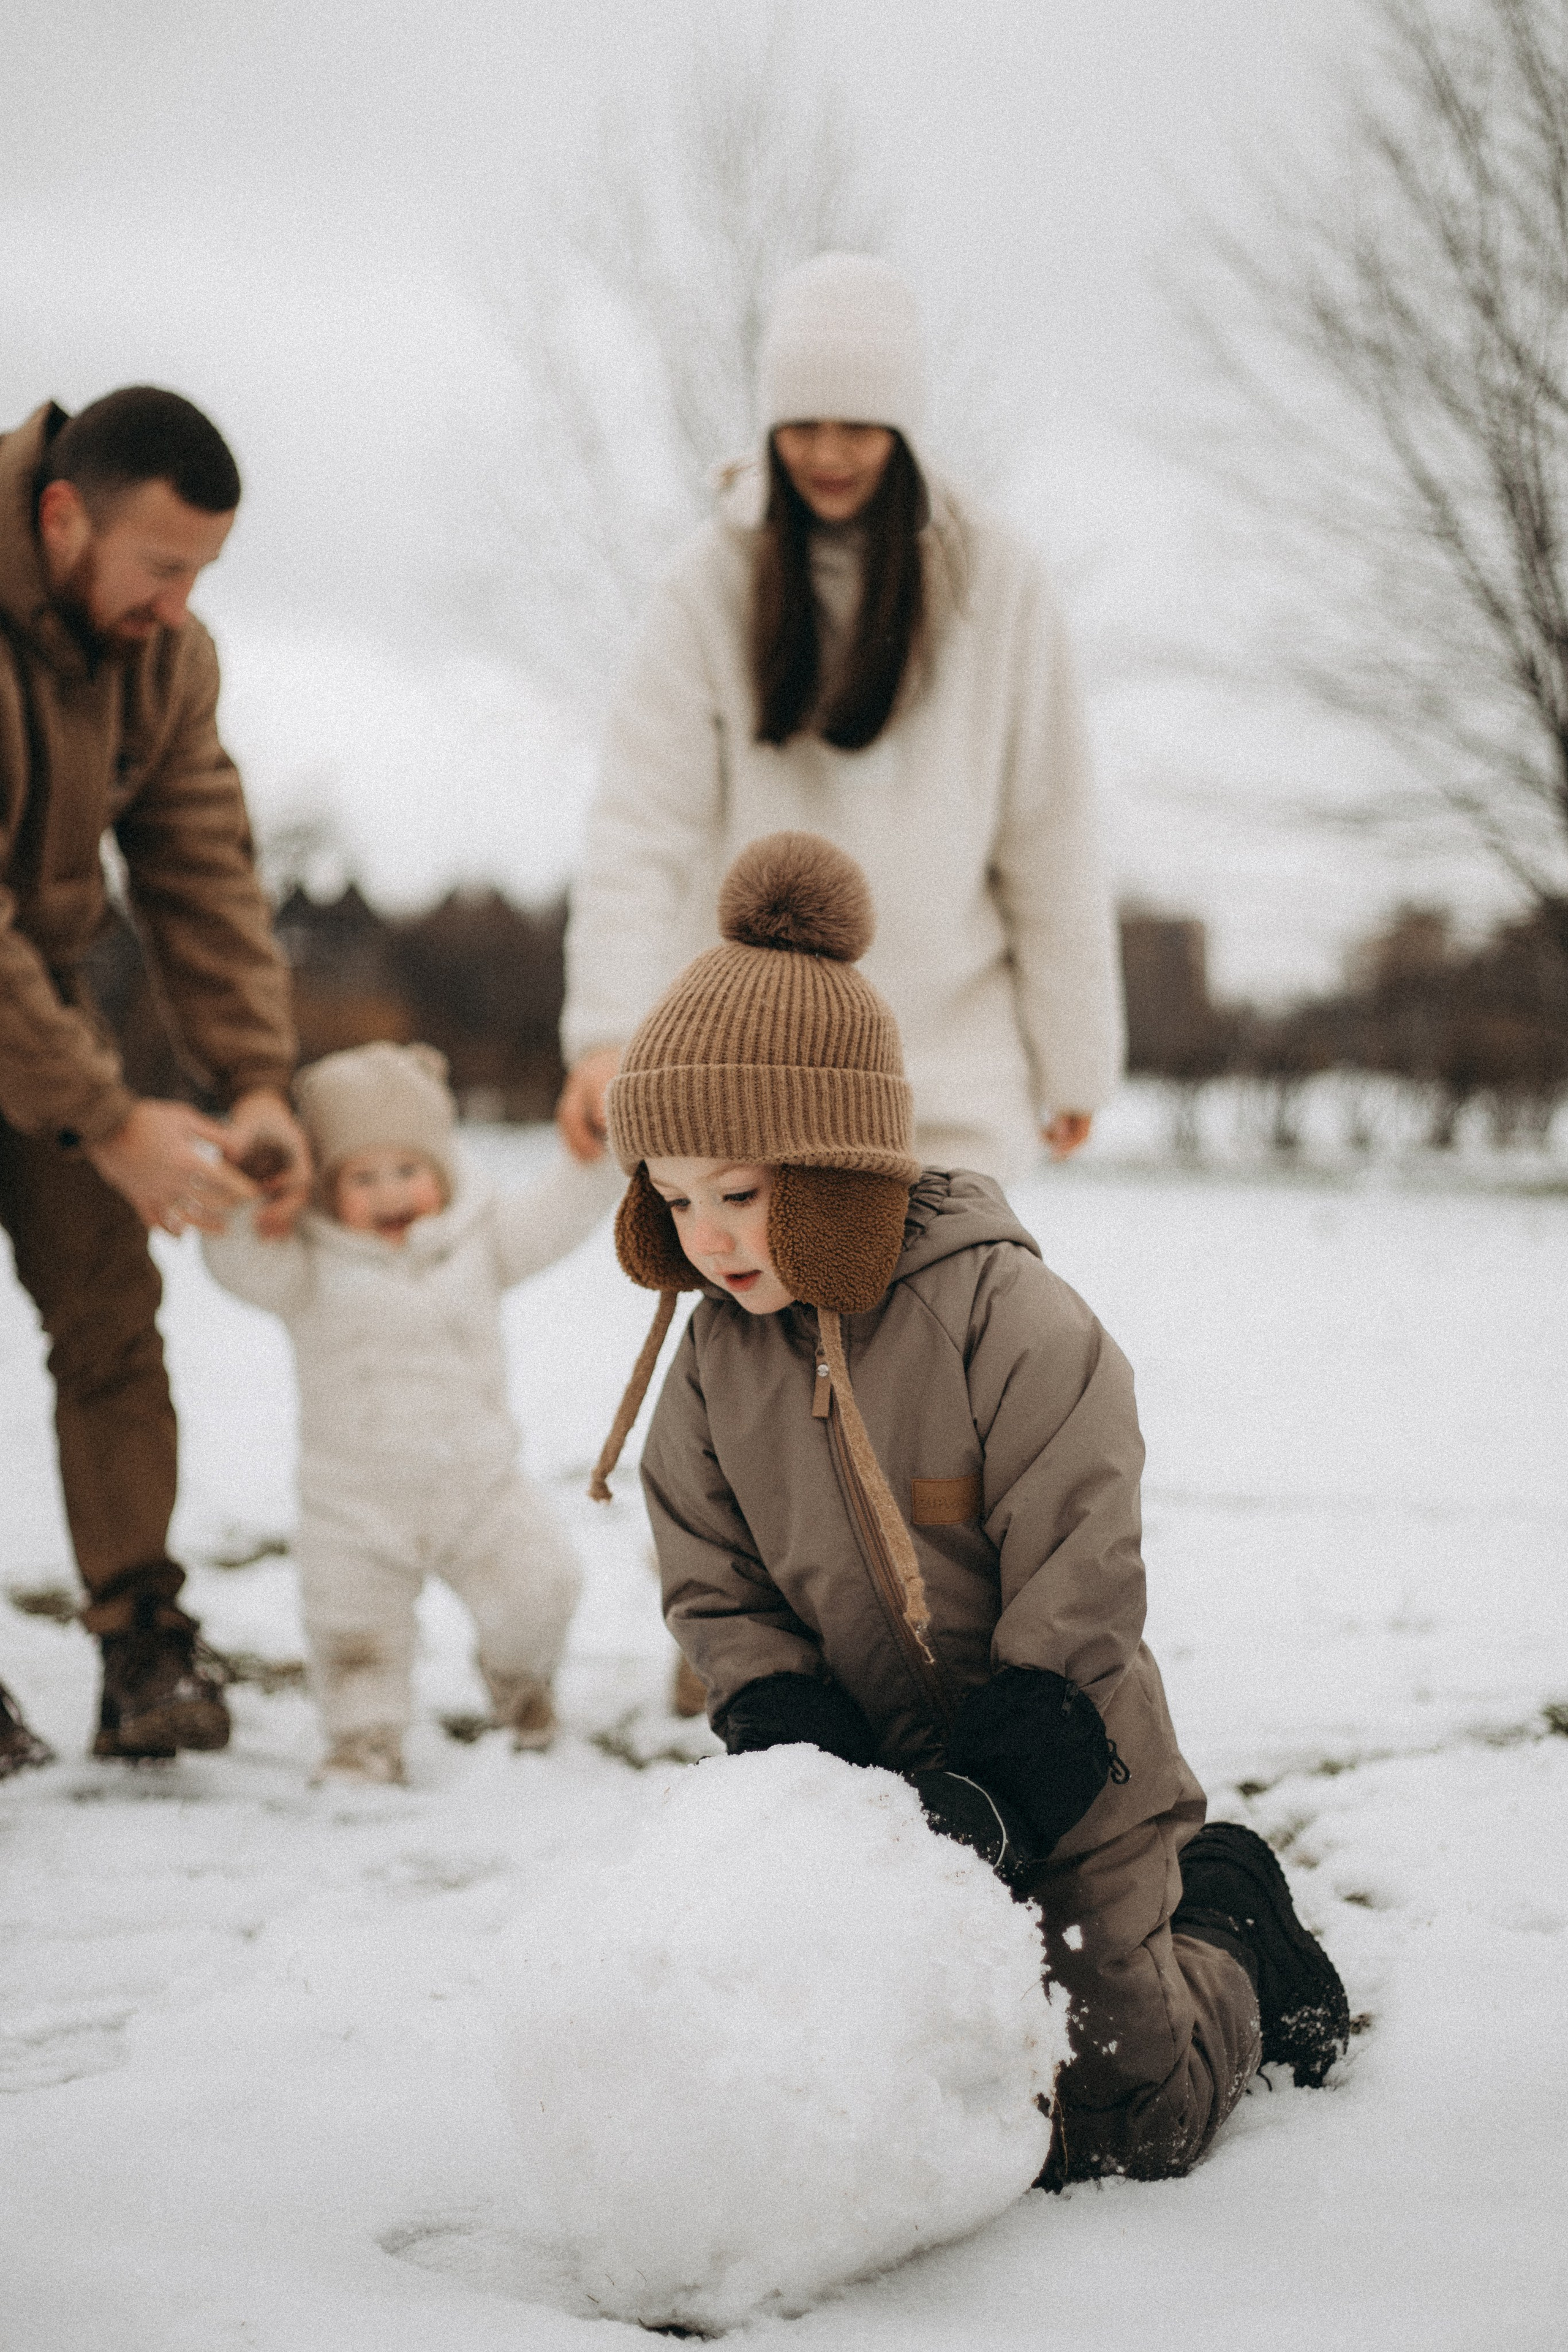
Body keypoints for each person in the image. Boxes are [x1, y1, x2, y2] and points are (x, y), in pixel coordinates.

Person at [588, 831, 1349, 2185]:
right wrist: (792, 1737)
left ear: (837, 1165)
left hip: (1062, 1777)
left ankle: (1231, 1926)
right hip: (876, 1801)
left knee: (1117, 2129)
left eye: (743, 1196)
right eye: (674, 1199)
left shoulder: (1009, 1320)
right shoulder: (712, 1364)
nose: (706, 1238)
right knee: (901, 2109)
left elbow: (1082, 1558)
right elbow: (712, 1577)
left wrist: (1013, 1778)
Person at [557, 249, 1124, 1191]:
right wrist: (608, 1033)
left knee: (938, 1332)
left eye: (858, 426)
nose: (826, 454)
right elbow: (640, 823)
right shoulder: (711, 582)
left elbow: (1051, 832)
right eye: (802, 425)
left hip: (950, 1078)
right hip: (751, 1070)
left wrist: (1076, 1055)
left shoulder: (997, 580)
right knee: (774, 1337)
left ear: (903, 428)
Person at [0, 386, 309, 1763]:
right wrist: (108, 1113)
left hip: (40, 1001)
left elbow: (198, 863)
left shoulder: (164, 660)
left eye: (206, 572)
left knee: (111, 1314)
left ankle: (141, 1642)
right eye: (163, 565)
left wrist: (253, 1079)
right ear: (64, 517)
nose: (182, 603)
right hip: (37, 1026)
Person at [203, 1041, 620, 1784]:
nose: (391, 1192)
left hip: (479, 1489)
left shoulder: (480, 1241)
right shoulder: (304, 1262)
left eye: (409, 1170)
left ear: (444, 1170)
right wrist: (242, 1203)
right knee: (352, 1632)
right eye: (363, 1177)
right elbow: (238, 1266)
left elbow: (558, 1215)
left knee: (539, 1587)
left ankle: (520, 1686)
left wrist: (594, 1156)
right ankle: (363, 1739)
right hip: (352, 1506)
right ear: (325, 1186)